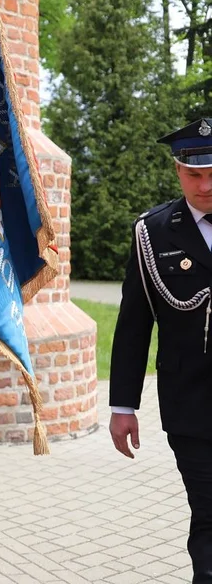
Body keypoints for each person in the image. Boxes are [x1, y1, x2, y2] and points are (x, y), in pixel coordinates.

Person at [110, 117, 212, 584]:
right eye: (194, 174)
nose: (205, 185)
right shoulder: (153, 232)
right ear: (177, 171)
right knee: (209, 516)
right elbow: (134, 324)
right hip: (193, 405)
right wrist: (123, 406)